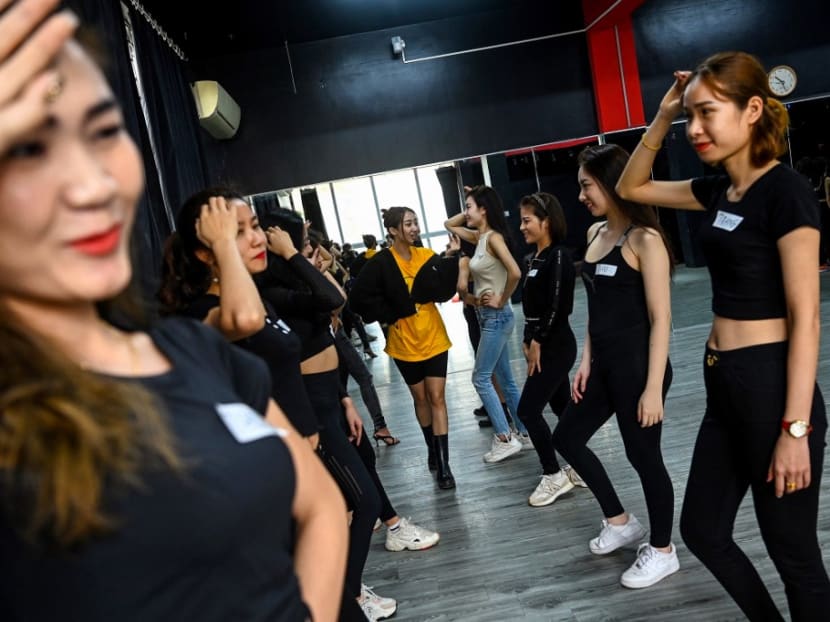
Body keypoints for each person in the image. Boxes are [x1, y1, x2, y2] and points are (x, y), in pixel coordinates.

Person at [0, 5, 347, 622]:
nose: (93, 184)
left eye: (103, 132)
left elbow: (320, 504)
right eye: (28, 148)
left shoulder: (191, 351)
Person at [617, 51, 830, 619]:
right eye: (691, 117)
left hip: (771, 389)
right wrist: (662, 117)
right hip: (725, 387)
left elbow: (805, 316)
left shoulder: (787, 193)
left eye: (708, 112)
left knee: (794, 553)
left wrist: (795, 428)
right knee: (703, 530)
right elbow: (632, 186)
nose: (697, 129)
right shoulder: (718, 192)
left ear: (753, 108)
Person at [551, 143, 678, 589]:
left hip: (640, 368)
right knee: (566, 436)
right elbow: (596, 307)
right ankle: (620, 521)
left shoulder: (646, 240)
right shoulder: (594, 234)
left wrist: (651, 387)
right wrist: (585, 361)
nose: (582, 195)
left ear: (612, 183)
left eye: (587, 185)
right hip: (603, 365)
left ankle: (663, 551)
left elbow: (662, 318)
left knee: (643, 456)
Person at [349, 207, 460, 489]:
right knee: (421, 399)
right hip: (403, 344)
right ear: (393, 230)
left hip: (434, 338)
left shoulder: (426, 257)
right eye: (408, 224)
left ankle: (445, 465)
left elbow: (445, 289)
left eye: (415, 223)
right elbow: (358, 299)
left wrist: (450, 258)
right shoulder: (382, 263)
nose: (414, 228)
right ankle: (431, 449)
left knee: (437, 398)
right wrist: (389, 313)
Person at [446, 186, 531, 463]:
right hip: (488, 317)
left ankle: (505, 438)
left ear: (483, 209)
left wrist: (502, 298)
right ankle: (525, 432)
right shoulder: (479, 236)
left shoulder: (492, 238)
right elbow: (448, 224)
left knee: (480, 378)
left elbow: (516, 272)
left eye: (469, 206)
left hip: (497, 316)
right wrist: (477, 197)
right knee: (506, 380)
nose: (465, 212)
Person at [515, 192, 587, 506]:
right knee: (561, 408)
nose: (521, 227)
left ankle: (553, 474)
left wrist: (538, 341)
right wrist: (527, 338)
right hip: (541, 343)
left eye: (527, 220)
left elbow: (559, 308)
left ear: (546, 222)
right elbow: (533, 307)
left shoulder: (558, 256)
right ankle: (581, 463)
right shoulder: (536, 259)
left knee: (527, 410)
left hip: (555, 345)